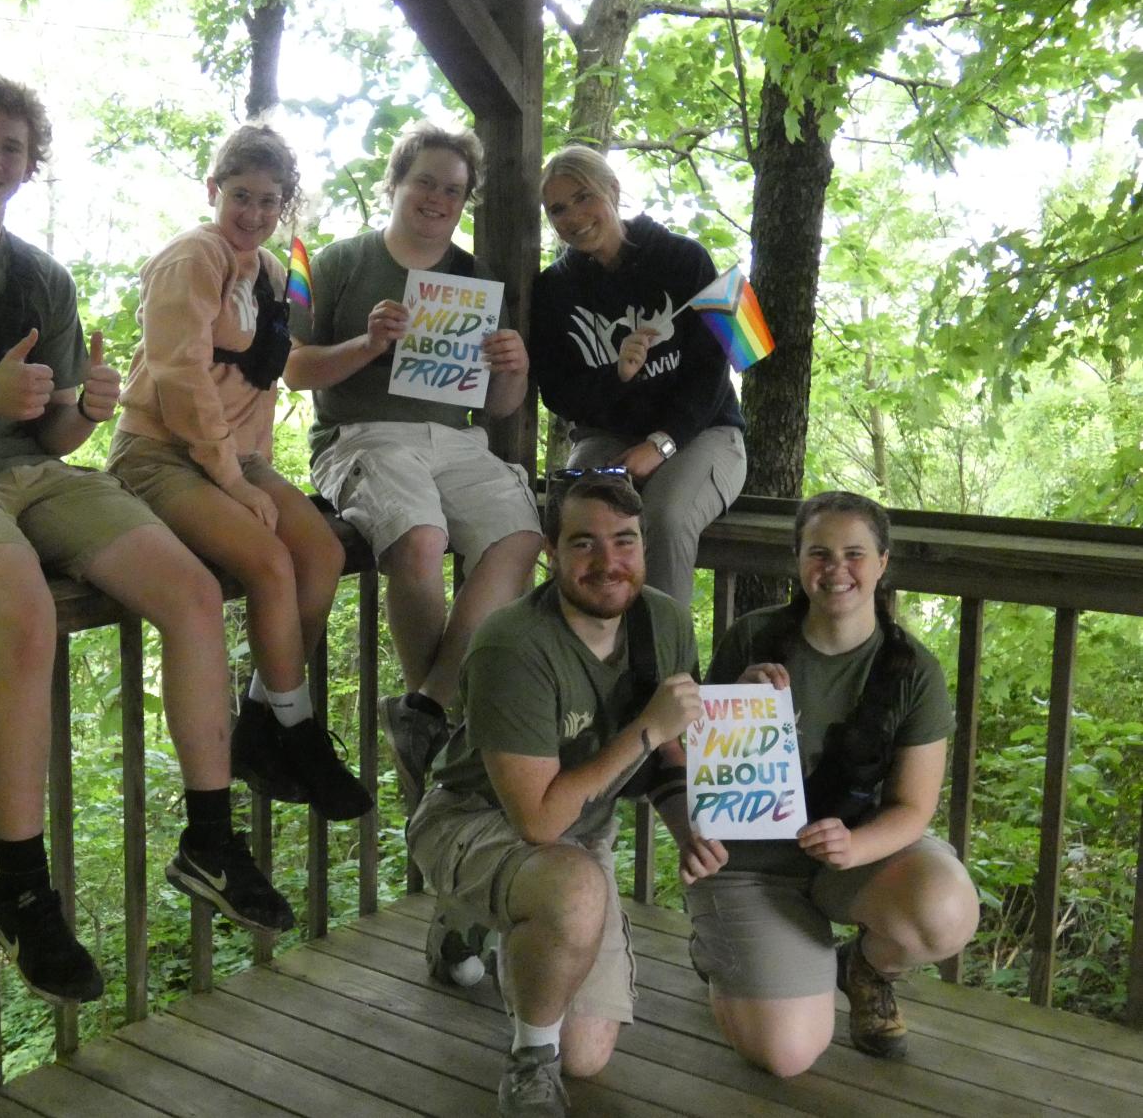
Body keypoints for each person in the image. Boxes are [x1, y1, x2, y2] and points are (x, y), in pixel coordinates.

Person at [0, 73, 294, 1006]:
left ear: (29, 164)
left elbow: (52, 438)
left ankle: (207, 836)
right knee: (25, 612)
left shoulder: (43, 277)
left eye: (9, 146)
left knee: (193, 589)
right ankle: (21, 884)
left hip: (31, 475)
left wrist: (83, 408)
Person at [407, 471, 702, 1117]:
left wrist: (689, 831)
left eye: (624, 541)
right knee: (571, 889)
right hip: (476, 819)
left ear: (644, 545)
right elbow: (537, 817)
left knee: (589, 1053)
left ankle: (475, 927)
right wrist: (644, 728)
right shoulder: (512, 643)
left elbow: (671, 751)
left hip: (579, 828)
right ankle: (527, 1065)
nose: (608, 562)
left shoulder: (665, 623)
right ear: (550, 550)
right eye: (584, 544)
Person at [659, 491, 980, 1075]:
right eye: (820, 553)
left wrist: (854, 847)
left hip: (848, 860)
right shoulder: (752, 639)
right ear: (798, 561)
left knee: (947, 910)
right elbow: (697, 762)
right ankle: (724, 952)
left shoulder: (915, 671)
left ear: (883, 563)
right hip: (748, 863)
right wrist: (739, 703)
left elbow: (913, 807)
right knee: (786, 1055)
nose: (837, 570)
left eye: (855, 553)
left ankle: (864, 967)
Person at [107, 125, 370, 822]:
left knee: (322, 551)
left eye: (269, 202)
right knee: (269, 562)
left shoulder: (273, 273)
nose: (253, 214)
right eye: (241, 196)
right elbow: (181, 377)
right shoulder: (192, 258)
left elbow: (269, 374)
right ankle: (300, 732)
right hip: (160, 451)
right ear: (213, 190)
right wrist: (234, 481)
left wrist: (376, 342)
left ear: (285, 206)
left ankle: (263, 719)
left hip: (236, 458)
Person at [284, 121, 543, 803]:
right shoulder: (332, 261)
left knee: (520, 534)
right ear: (395, 183)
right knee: (420, 537)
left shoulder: (475, 277)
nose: (437, 198)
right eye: (425, 181)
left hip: (456, 440)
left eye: (453, 190)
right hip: (363, 436)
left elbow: (499, 405)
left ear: (464, 203)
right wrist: (367, 345)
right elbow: (292, 369)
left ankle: (427, 704)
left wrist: (513, 367)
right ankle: (445, 738)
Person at [531, 145, 747, 607]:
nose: (573, 216)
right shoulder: (554, 290)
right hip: (607, 438)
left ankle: (666, 668)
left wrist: (662, 443)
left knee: (664, 518)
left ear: (612, 190)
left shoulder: (682, 260)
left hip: (703, 434)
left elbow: (711, 371)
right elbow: (559, 392)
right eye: (557, 209)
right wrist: (619, 375)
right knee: (574, 514)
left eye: (584, 196)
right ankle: (582, 657)